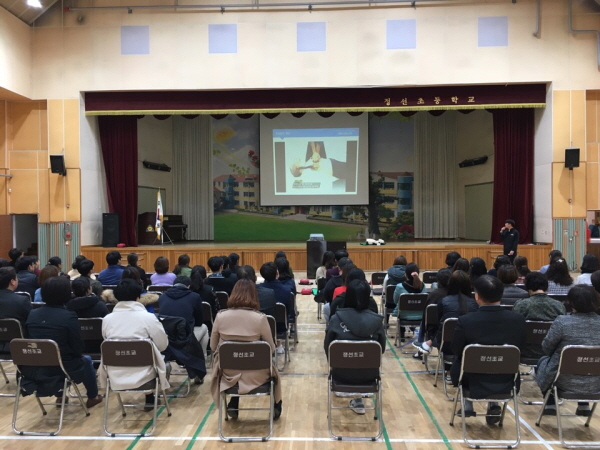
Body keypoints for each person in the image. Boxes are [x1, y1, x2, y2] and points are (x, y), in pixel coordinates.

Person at [451, 275, 526, 425]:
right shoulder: (518, 320)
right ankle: (493, 403)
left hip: (470, 378)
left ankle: (467, 402)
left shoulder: (466, 321)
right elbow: (521, 349)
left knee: (463, 357)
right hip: (506, 379)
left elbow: (457, 350)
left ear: (477, 296)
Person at [25, 277, 102, 408]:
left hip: (36, 366)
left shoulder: (33, 314)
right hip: (64, 365)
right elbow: (77, 346)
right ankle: (92, 397)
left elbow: (28, 339)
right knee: (86, 360)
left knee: (55, 357)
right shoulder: (68, 315)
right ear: (66, 294)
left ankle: (60, 396)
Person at [210, 279, 283, 420]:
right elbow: (271, 348)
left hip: (228, 373)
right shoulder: (260, 318)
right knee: (272, 373)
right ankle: (276, 405)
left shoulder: (220, 316)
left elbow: (213, 347)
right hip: (258, 373)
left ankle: (234, 402)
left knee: (238, 366)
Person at [99, 279, 170, 410]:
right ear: (138, 297)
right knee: (164, 363)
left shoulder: (107, 319)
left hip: (115, 375)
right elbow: (162, 345)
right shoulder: (148, 318)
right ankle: (150, 397)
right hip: (145, 375)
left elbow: (109, 344)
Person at [536, 285, 600, 417]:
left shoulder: (562, 322)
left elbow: (546, 348)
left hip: (563, 380)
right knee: (586, 362)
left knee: (543, 361)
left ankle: (550, 402)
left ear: (571, 302)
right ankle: (583, 404)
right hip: (596, 382)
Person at [324, 279, 386, 415]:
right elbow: (381, 348)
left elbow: (327, 348)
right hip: (369, 376)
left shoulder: (335, 319)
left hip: (340, 375)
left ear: (348, 296)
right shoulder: (377, 321)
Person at [416, 270, 477, 354]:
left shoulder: (443, 301)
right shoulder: (474, 303)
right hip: (468, 346)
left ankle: (428, 343)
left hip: (446, 345)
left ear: (451, 284)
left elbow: (438, 325)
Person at [513, 272, 566, 360]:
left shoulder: (521, 305)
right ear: (546, 287)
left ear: (527, 287)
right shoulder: (559, 306)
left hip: (525, 352)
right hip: (551, 352)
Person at [158, 275, 209, 360]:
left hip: (167, 338)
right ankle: (202, 357)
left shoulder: (162, 297)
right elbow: (199, 322)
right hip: (185, 339)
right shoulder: (195, 297)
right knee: (204, 327)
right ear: (188, 286)